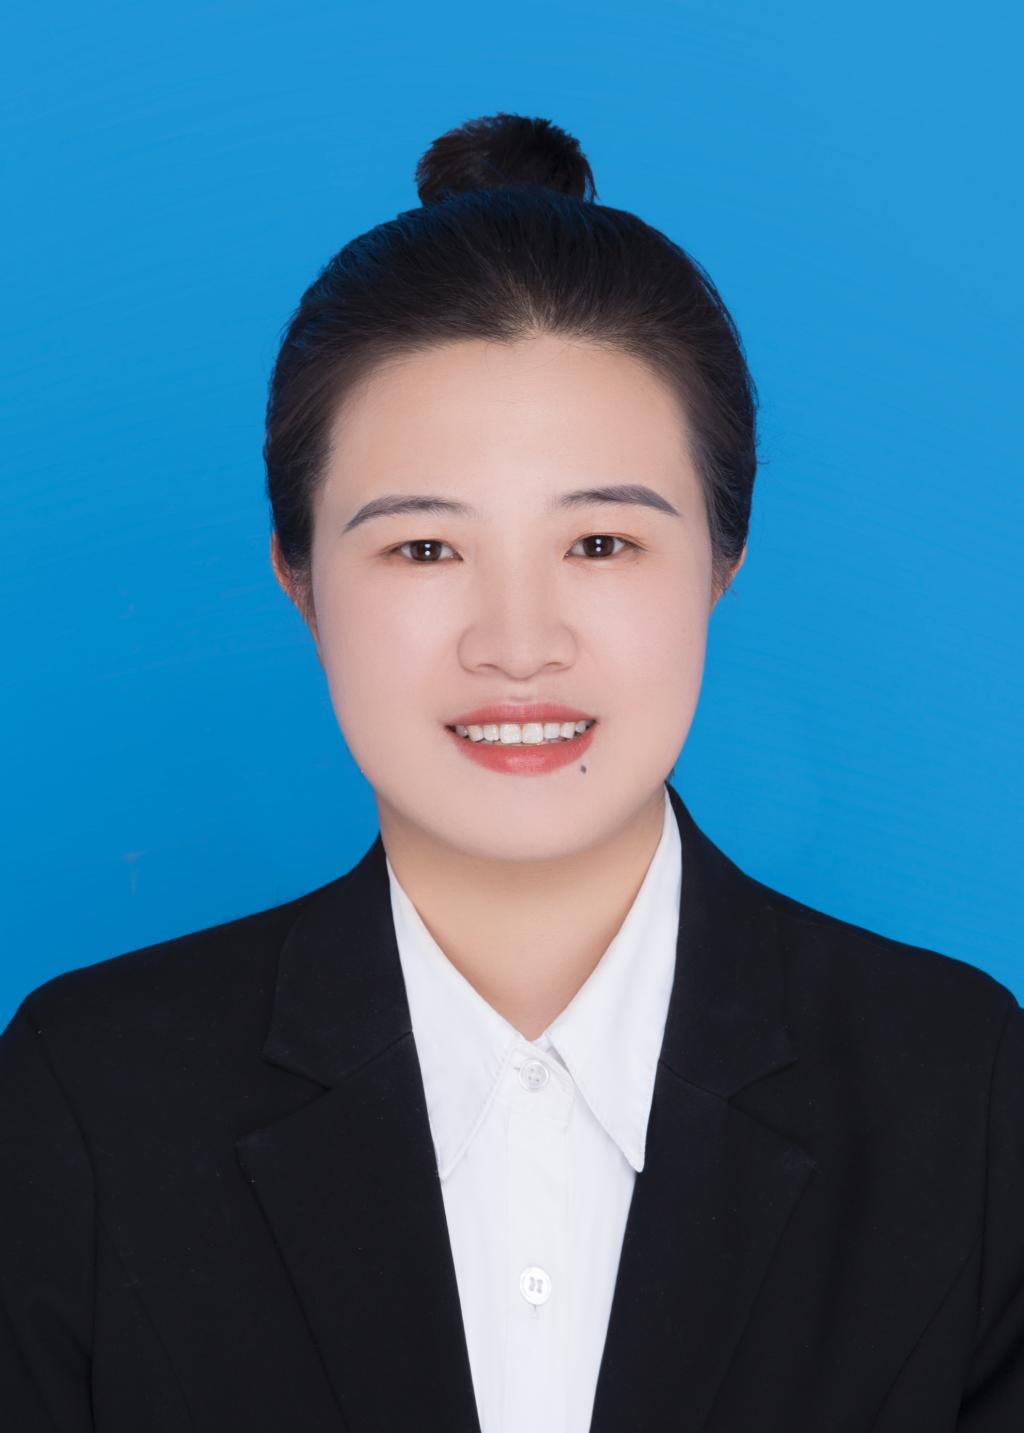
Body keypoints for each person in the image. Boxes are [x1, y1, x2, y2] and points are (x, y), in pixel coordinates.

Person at [1, 112, 1020, 1433]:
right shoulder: (87, 1100)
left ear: (723, 562)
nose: (519, 643)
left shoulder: (965, 1092)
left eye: (601, 544)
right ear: (298, 578)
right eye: (424, 549)